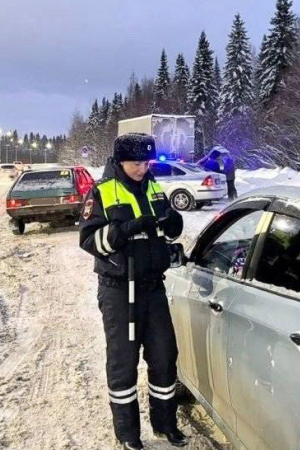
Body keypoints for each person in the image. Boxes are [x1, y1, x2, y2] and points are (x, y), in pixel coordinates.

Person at [79, 133, 188, 450]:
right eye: (137, 163)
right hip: (119, 292)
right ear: (121, 161)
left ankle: (166, 425)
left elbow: (167, 228)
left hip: (153, 289)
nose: (143, 168)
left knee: (165, 358)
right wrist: (124, 230)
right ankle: (128, 434)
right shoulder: (101, 192)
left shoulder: (153, 187)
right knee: (123, 364)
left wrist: (173, 224)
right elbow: (89, 241)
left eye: (147, 162)